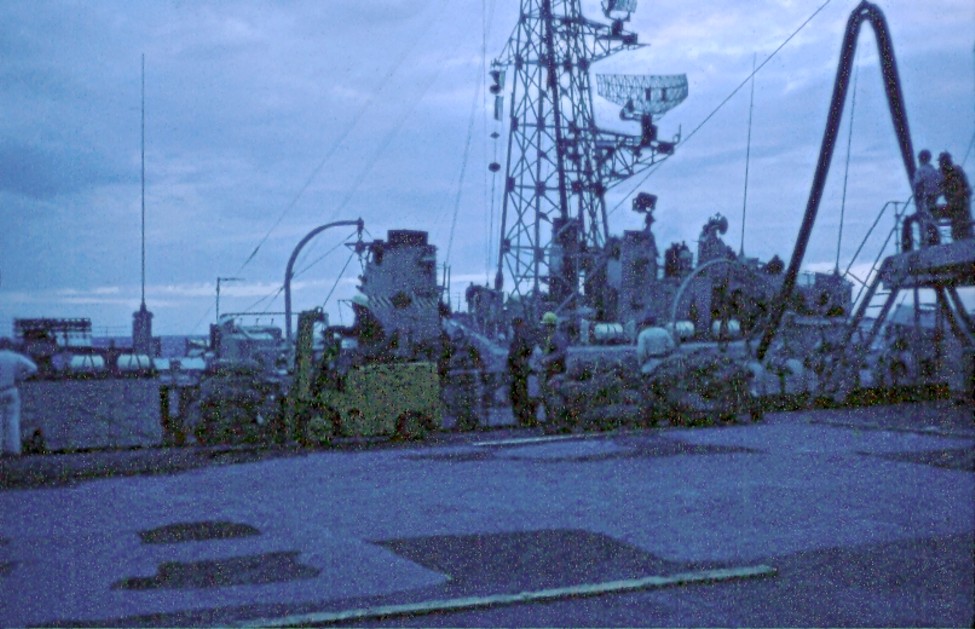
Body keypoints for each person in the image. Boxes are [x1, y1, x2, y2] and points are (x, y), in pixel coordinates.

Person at [0, 338, 38, 456]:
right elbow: (34, 368)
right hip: (11, 389)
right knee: (13, 420)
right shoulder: (15, 357)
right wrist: (22, 377)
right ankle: (14, 450)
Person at [901, 149, 942, 251]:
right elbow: (941, 187)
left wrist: (919, 197)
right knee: (932, 222)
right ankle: (935, 243)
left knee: (909, 221)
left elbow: (918, 185)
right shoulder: (935, 172)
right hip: (934, 201)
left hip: (924, 200)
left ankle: (907, 248)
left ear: (921, 159)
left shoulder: (920, 171)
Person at [537, 311, 569, 425]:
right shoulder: (550, 337)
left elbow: (562, 352)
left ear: (550, 326)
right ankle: (551, 420)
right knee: (548, 396)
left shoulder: (558, 337)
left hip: (557, 372)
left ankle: (557, 422)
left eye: (545, 325)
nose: (543, 328)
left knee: (555, 397)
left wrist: (548, 359)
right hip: (550, 372)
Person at [937, 151, 973, 242]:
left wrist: (960, 194)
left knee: (961, 227)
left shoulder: (956, 170)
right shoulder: (943, 174)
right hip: (953, 205)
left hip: (961, 204)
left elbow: (967, 189)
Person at [507, 317, 534, 427]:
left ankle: (523, 419)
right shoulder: (517, 338)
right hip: (517, 371)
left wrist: (522, 362)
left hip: (519, 371)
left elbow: (526, 352)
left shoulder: (521, 338)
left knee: (520, 395)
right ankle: (521, 418)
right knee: (517, 395)